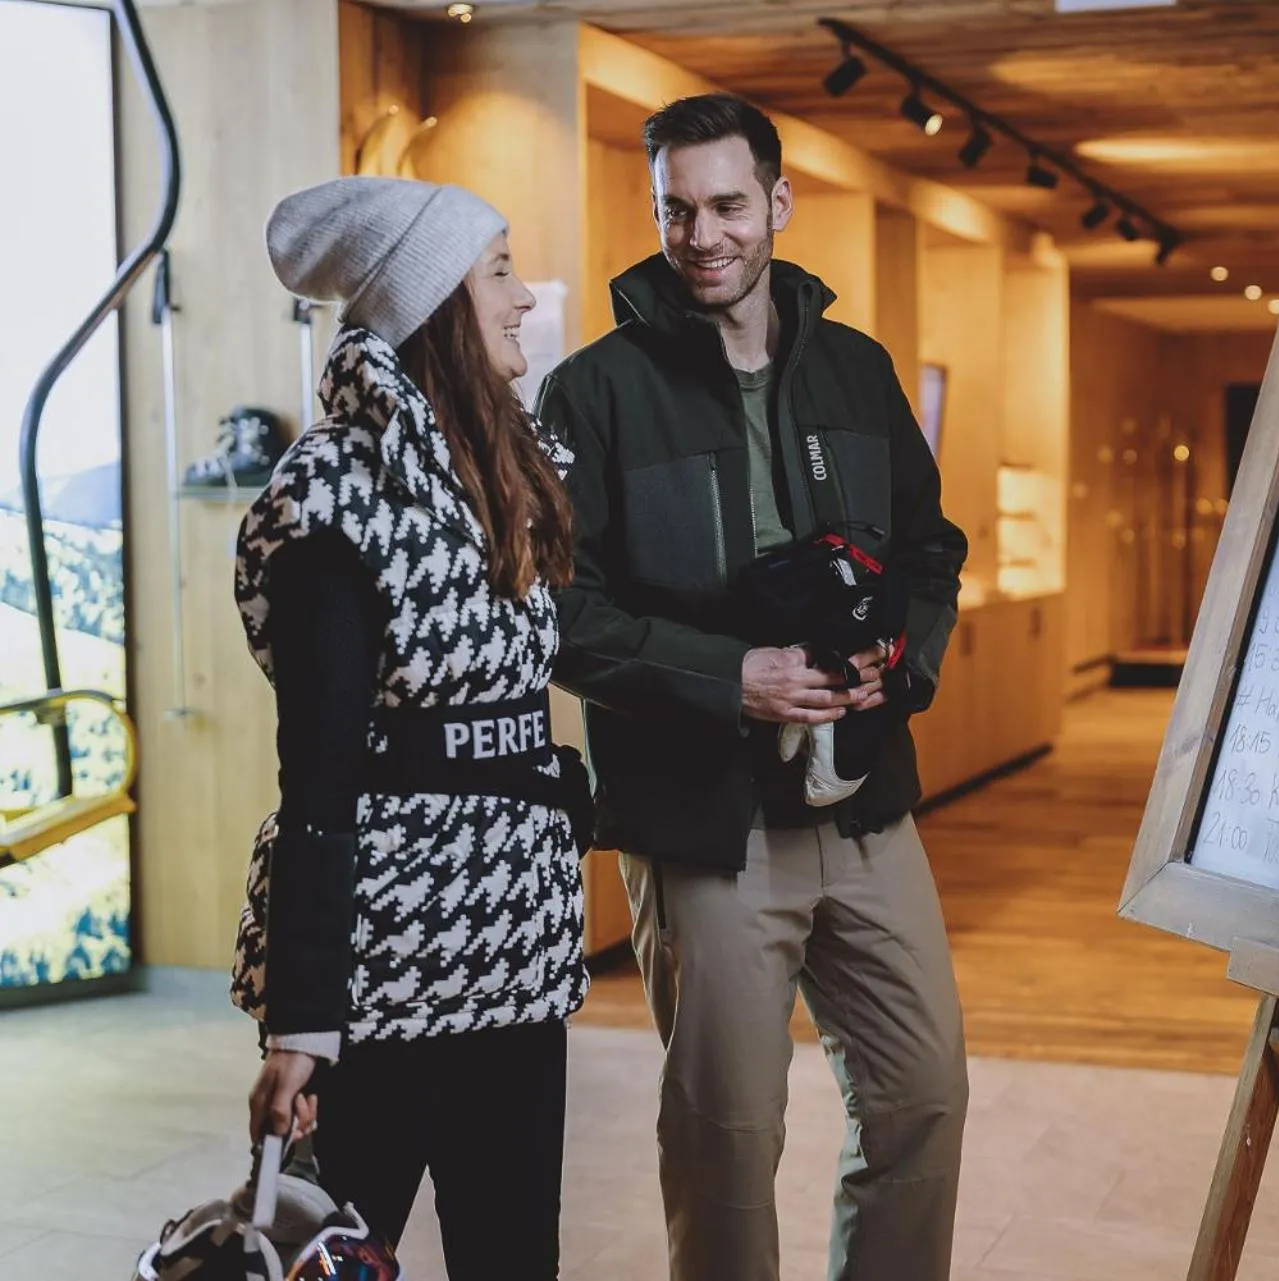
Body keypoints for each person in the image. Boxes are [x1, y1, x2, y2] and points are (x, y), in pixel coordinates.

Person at [537, 93, 970, 1280]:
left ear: (779, 201)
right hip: (705, 828)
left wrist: (903, 659)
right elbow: (559, 613)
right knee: (729, 1144)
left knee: (922, 1100)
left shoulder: (856, 369)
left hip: (868, 806)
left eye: (729, 204)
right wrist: (733, 677)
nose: (703, 235)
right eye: (676, 210)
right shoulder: (593, 392)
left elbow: (930, 553)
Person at [230, 175, 591, 1280]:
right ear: (435, 301)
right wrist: (303, 1025)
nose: (526, 299)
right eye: (498, 273)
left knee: (515, 1253)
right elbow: (322, 775)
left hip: (518, 946)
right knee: (350, 1253)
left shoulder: (509, 473)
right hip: (387, 960)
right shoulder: (333, 494)